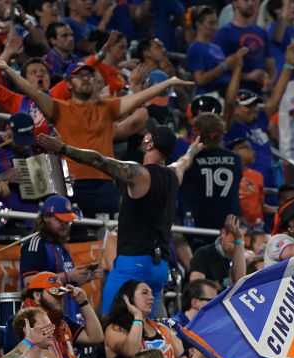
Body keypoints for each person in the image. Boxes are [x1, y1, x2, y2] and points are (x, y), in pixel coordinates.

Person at [0, 57, 191, 218]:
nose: (85, 78)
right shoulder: (59, 108)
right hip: (72, 184)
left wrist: (169, 82)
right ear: (68, 84)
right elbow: (31, 91)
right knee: (76, 237)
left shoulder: (108, 107)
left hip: (105, 183)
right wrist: (7, 69)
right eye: (79, 76)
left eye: (89, 75)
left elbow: (138, 98)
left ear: (95, 82)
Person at [33, 131, 203, 315]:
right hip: (160, 267)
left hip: (133, 264)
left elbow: (99, 160)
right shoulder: (174, 174)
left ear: (149, 144)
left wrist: (63, 148)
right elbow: (185, 161)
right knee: (152, 329)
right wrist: (192, 151)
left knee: (109, 320)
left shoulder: (139, 174)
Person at [15, 271, 103, 358]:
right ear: (37, 295)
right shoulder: (23, 322)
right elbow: (38, 352)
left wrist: (83, 302)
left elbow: (96, 337)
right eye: (54, 294)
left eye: (61, 295)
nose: (60, 299)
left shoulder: (61, 322)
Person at [178, 112, 242, 232]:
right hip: (229, 224)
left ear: (197, 133)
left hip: (197, 222)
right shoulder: (235, 159)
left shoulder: (191, 160)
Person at [20, 195, 95, 288]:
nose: (65, 225)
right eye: (60, 220)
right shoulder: (36, 244)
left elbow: (63, 283)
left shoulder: (61, 245)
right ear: (46, 217)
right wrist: (68, 276)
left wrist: (82, 277)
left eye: (68, 222)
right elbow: (29, 281)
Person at [188, 214, 247, 288]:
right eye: (235, 236)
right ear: (223, 233)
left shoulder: (245, 256)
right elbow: (196, 288)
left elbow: (240, 282)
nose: (238, 244)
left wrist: (239, 242)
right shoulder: (203, 254)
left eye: (242, 237)